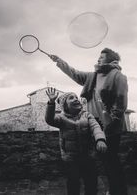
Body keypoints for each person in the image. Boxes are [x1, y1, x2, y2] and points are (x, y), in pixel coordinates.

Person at [49, 48, 128, 195]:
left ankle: (118, 191)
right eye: (98, 57)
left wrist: (110, 126)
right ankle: (110, 189)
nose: (98, 59)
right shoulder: (92, 76)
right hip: (94, 126)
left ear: (112, 60)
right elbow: (74, 73)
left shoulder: (118, 77)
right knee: (100, 164)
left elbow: (121, 103)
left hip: (110, 128)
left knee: (112, 163)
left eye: (102, 57)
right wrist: (59, 61)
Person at [45, 87, 107, 195]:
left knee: (91, 182)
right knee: (73, 183)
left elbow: (96, 127)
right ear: (65, 105)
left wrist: (100, 139)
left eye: (76, 97)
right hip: (71, 158)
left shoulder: (87, 115)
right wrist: (51, 102)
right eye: (71, 98)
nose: (76, 99)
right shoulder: (61, 118)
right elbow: (49, 119)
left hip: (88, 155)